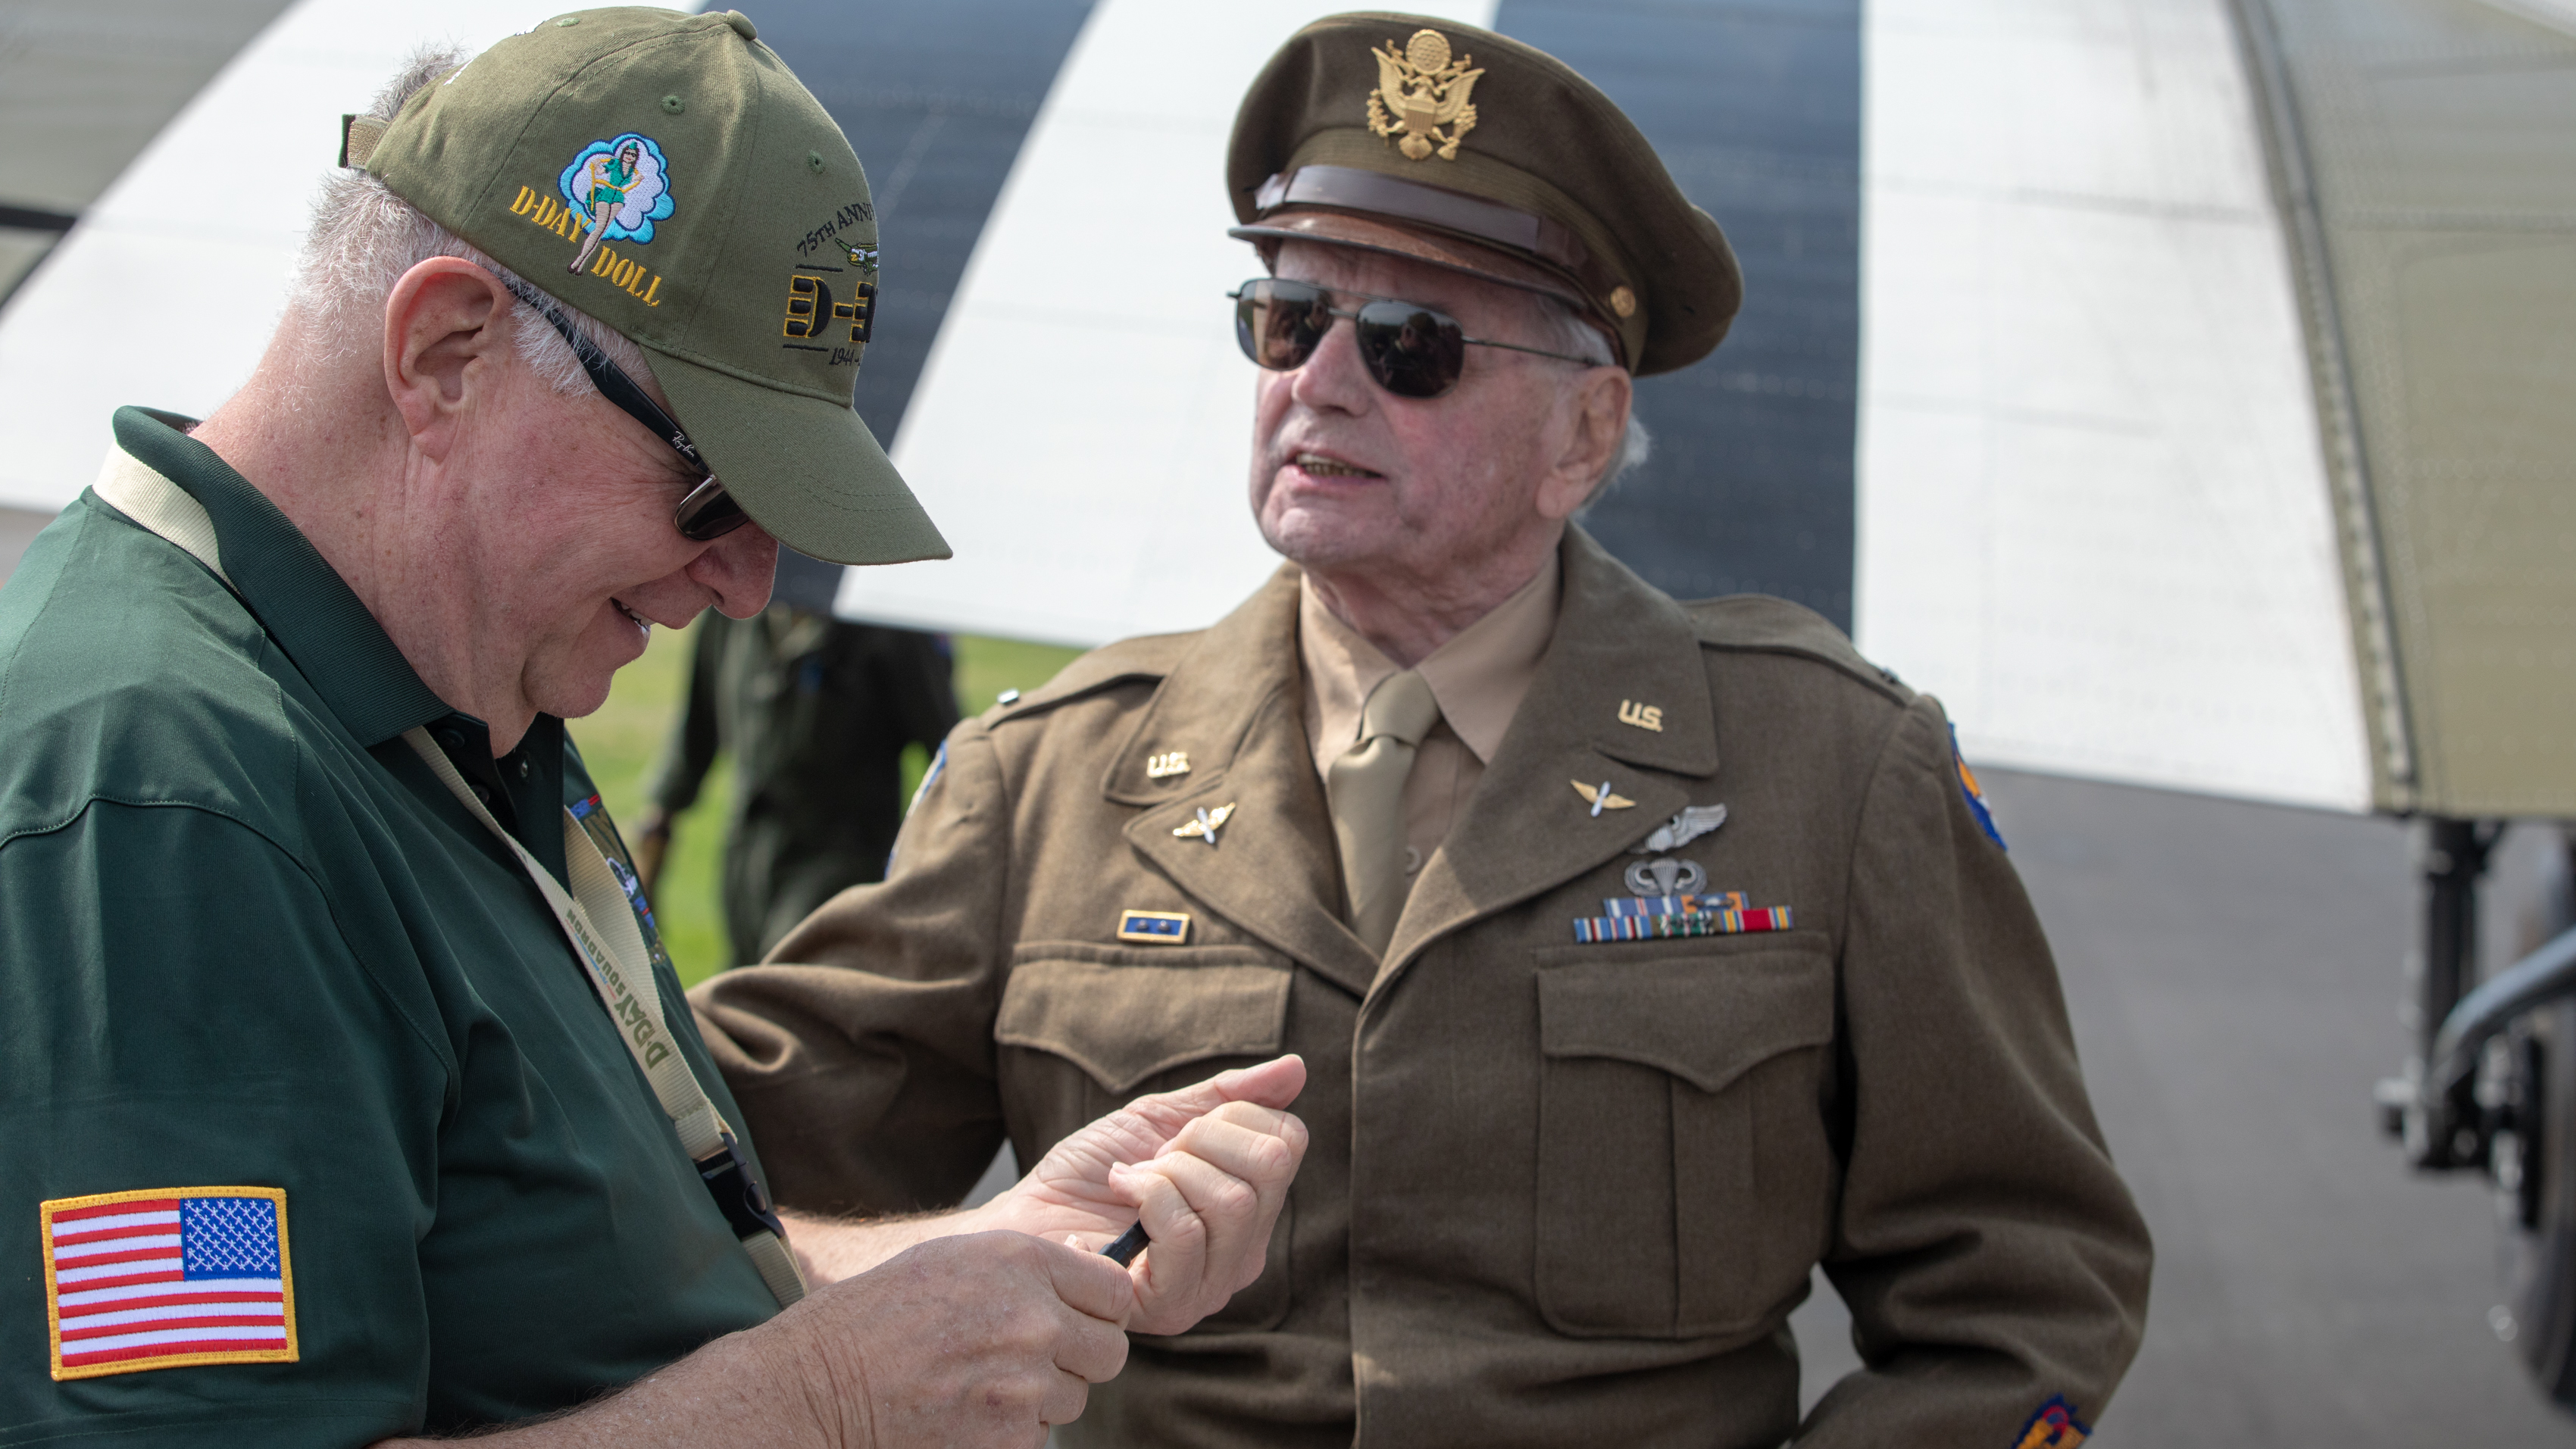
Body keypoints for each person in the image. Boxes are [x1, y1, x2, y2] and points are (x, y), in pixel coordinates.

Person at [694, 13, 2152, 1449]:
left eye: (1410, 342)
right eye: (1287, 319)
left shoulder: (1826, 765)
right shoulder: (1056, 775)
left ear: (1585, 432)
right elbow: (701, 1153)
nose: (1317, 381)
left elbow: (2023, 1286)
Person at [0, 11, 1305, 1447]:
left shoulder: (434, 690)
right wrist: (827, 1395)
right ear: (445, 352)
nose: (747, 586)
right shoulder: (171, 797)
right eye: (709, 492)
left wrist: (971, 1267)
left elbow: (573, 1278)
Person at [633, 578, 960, 968]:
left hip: (841, 854)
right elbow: (696, 729)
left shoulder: (889, 623)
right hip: (748, 849)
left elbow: (948, 753)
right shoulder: (734, 609)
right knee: (742, 988)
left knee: (795, 991)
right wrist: (655, 839)